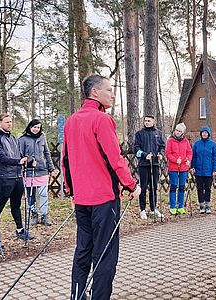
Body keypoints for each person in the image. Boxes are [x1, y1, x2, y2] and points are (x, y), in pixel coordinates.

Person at [63, 74, 140, 300]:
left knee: (83, 250)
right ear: (95, 92)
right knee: (105, 254)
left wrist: (71, 190)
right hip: (104, 200)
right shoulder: (101, 119)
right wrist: (131, 184)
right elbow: (114, 158)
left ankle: (77, 296)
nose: (112, 94)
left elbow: (65, 160)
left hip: (82, 199)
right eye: (109, 90)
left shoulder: (72, 121)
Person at [0, 113, 34, 249]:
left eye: (10, 122)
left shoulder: (13, 138)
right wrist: (19, 161)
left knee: (16, 205)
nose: (9, 124)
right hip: (5, 178)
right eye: (6, 122)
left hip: (18, 177)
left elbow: (19, 155)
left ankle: (20, 230)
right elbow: (1, 158)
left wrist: (28, 161)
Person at [19, 119, 57, 226]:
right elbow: (20, 155)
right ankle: (34, 214)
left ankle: (44, 215)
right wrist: (28, 162)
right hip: (29, 171)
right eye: (34, 127)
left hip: (42, 170)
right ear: (30, 127)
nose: (36, 129)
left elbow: (46, 153)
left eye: (38, 127)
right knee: (31, 195)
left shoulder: (42, 137)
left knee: (43, 193)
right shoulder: (23, 139)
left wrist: (51, 168)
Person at [133, 115, 165, 220]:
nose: (146, 122)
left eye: (148, 121)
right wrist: (144, 155)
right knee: (143, 187)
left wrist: (160, 154)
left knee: (153, 187)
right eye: (145, 121)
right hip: (144, 164)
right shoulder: (139, 134)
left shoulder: (158, 133)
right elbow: (136, 149)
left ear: (153, 121)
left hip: (155, 164)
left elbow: (162, 146)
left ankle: (153, 208)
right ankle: (142, 209)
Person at [190, 126, 216, 214]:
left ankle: (207, 204)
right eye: (203, 132)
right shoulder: (196, 144)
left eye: (206, 132)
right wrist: (192, 167)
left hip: (209, 170)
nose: (204, 134)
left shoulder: (212, 144)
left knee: (208, 188)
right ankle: (201, 205)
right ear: (201, 133)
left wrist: (215, 169)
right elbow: (193, 156)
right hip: (198, 170)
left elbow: (215, 157)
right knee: (199, 188)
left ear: (208, 134)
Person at [165, 122, 192, 215]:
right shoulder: (170, 141)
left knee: (181, 187)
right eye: (176, 130)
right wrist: (175, 160)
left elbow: (189, 152)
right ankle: (172, 206)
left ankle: (180, 206)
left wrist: (188, 159)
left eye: (179, 131)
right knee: (173, 186)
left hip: (184, 167)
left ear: (183, 132)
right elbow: (168, 153)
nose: (177, 132)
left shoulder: (185, 141)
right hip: (173, 167)